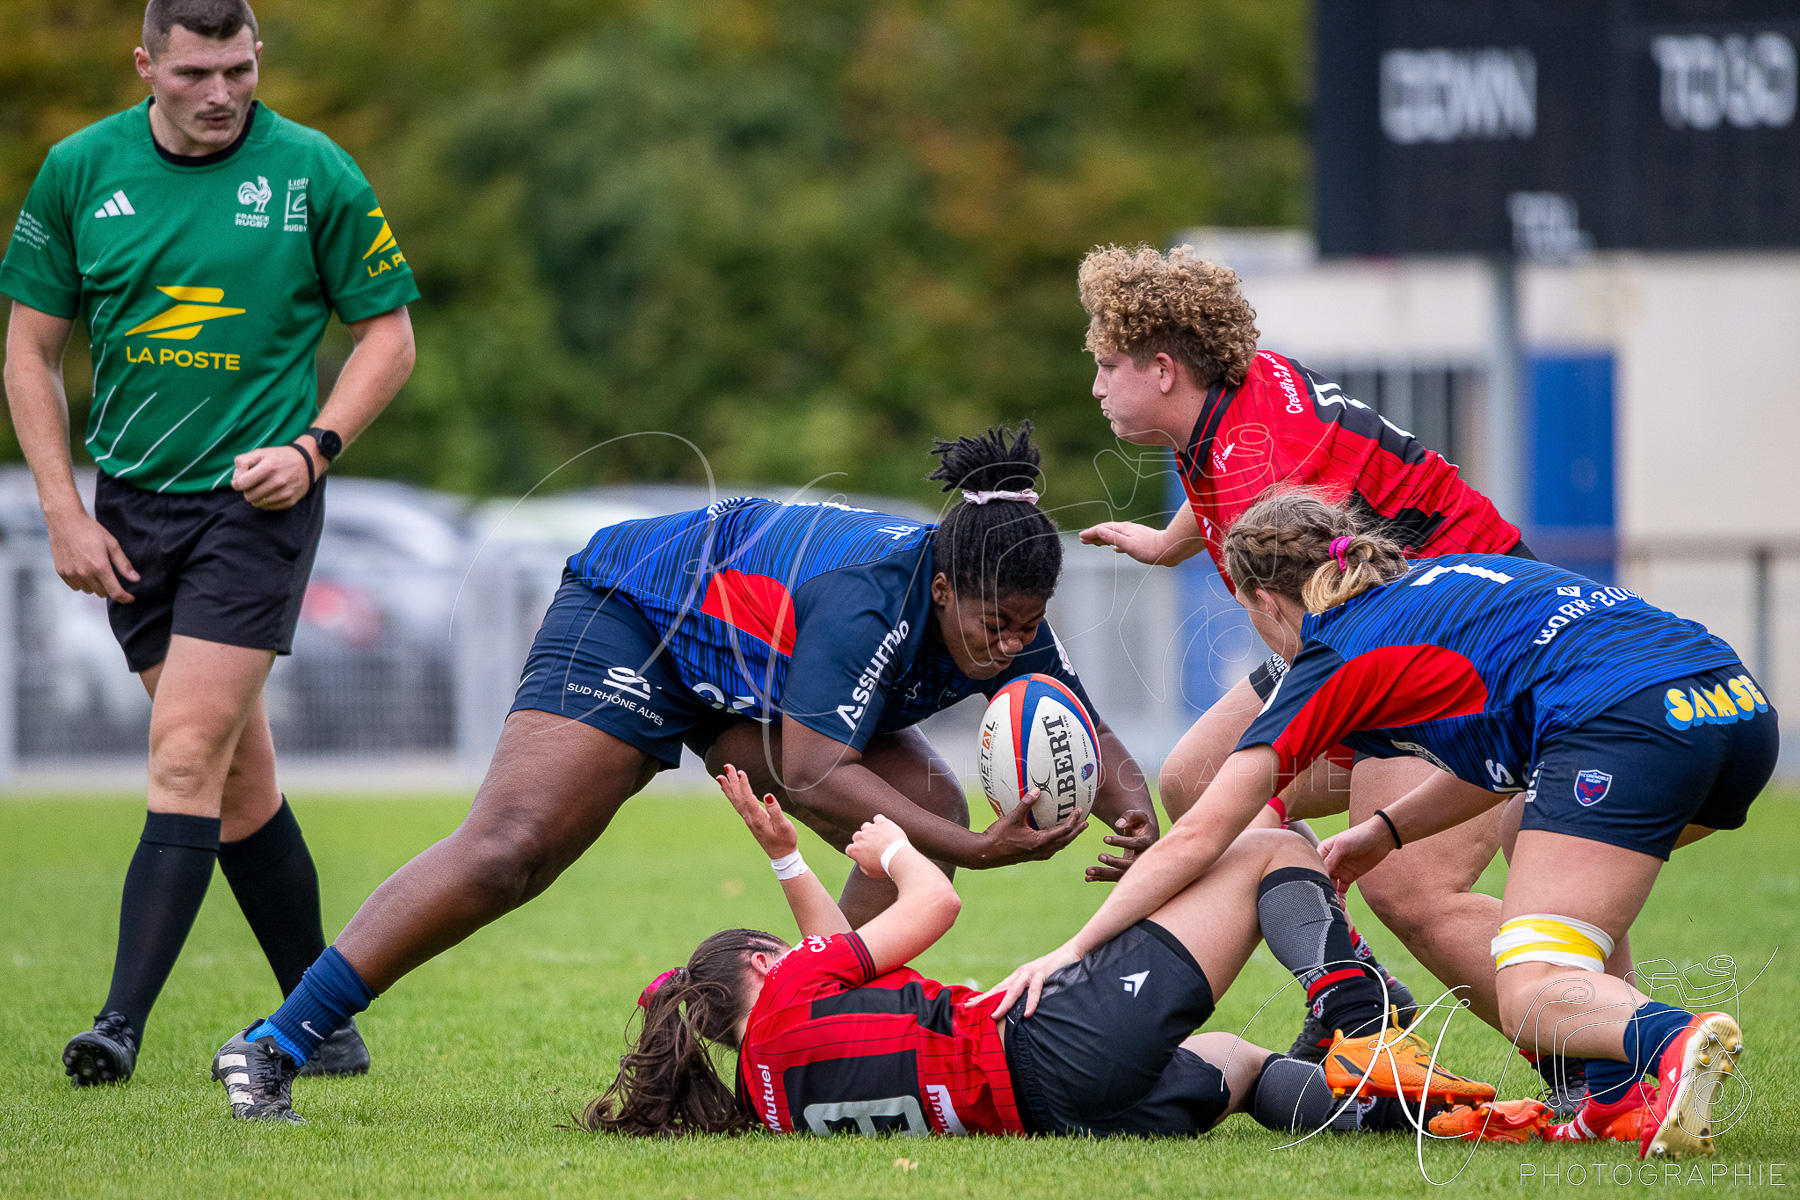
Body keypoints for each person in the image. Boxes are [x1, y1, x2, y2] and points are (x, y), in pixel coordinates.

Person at [207, 424, 1160, 1121]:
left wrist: (1134, 815)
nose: (1008, 646)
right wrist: (979, 854)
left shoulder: (1004, 605)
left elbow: (1096, 732)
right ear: (945, 586)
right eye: (993, 624)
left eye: (1027, 627)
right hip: (642, 617)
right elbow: (816, 766)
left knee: (925, 806)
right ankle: (277, 1043)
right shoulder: (869, 596)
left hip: (752, 672)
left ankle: (815, 1054)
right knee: (511, 850)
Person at [988, 492, 1775, 1161]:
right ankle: (1612, 1099)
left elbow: (1201, 832)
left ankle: (1672, 1038)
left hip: (1630, 726)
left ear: (1263, 601)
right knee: (1528, 841)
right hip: (1730, 706)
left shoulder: (1329, 655)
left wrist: (1071, 950)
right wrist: (1383, 833)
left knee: (1528, 988)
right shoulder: (1432, 587)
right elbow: (1490, 763)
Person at [0, 0, 418, 1085]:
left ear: (257, 57)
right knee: (238, 779)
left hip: (257, 507)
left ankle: (118, 1024)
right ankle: (325, 1017)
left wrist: (316, 448)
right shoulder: (78, 170)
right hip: (130, 508)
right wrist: (61, 508)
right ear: (147, 65)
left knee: (185, 753)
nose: (222, 91)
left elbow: (390, 335)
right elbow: (29, 352)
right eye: (195, 72)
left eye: (239, 66)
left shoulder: (312, 170)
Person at [1068, 243, 1575, 1098]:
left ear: (1162, 370)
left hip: (1465, 648)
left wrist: (1222, 832)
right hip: (1377, 628)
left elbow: (1322, 648)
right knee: (1197, 779)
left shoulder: (1264, 458)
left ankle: (1599, 1058)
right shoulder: (1230, 404)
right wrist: (1165, 545)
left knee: (1414, 889)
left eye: (1107, 365)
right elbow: (1237, 499)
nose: (1096, 386)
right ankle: (1359, 991)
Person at [576, 766, 1524, 1141]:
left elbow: (835, 952)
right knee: (1270, 847)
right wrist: (895, 851)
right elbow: (933, 903)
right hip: (1043, 1042)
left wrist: (787, 857)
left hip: (1043, 1115)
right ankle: (1362, 1024)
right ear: (759, 963)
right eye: (781, 949)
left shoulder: (769, 1094)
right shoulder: (798, 989)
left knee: (1234, 1062)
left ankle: (1416, 1121)